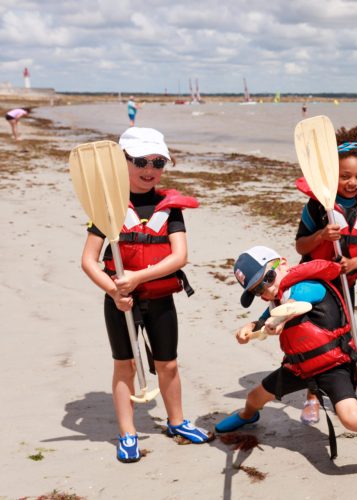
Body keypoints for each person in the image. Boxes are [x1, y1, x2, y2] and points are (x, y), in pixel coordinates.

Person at [216, 247, 357, 486]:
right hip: (298, 367)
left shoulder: (309, 286)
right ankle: (248, 415)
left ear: (283, 264)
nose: (268, 289)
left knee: (349, 416)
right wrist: (250, 328)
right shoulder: (277, 297)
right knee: (254, 397)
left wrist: (278, 321)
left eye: (268, 278)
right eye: (258, 290)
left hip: (333, 365)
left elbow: (295, 305)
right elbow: (266, 318)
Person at [79, 127, 209, 463]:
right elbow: (88, 261)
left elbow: (179, 257)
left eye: (158, 162)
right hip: (120, 302)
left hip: (160, 299)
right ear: (122, 162)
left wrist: (138, 277)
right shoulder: (108, 207)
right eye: (140, 161)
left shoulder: (170, 208)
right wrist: (114, 290)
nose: (149, 169)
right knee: (124, 365)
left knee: (169, 363)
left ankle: (177, 421)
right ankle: (127, 432)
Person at [294, 125, 357, 425]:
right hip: (316, 285)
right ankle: (312, 397)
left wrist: (353, 263)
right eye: (345, 176)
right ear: (332, 174)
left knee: (344, 339)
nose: (353, 182)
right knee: (315, 340)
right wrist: (321, 235)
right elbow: (300, 245)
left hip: (346, 284)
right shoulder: (317, 206)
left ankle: (343, 394)